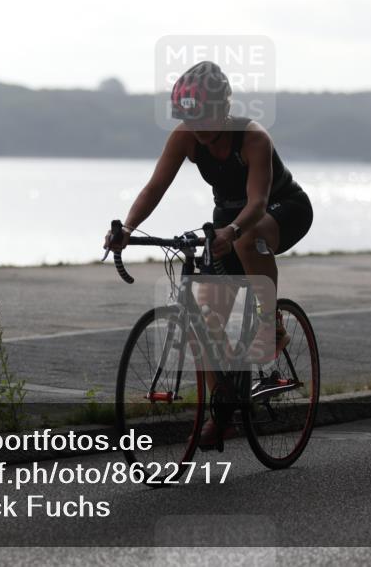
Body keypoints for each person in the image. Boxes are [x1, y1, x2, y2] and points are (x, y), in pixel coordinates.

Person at [103, 61, 313, 446]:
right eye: (189, 118)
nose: (196, 127)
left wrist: (232, 232)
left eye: (203, 118)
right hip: (227, 219)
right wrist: (128, 229)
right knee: (205, 317)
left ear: (223, 109)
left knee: (247, 240)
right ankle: (222, 410)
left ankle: (270, 320)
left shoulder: (253, 138)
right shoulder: (185, 137)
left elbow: (257, 203)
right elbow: (154, 188)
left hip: (281, 209)